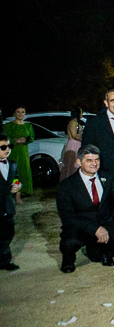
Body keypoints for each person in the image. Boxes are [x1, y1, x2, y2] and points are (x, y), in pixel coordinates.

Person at [56, 145, 114, 273]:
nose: (94, 164)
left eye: (97, 160)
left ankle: (102, 252)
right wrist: (94, 229)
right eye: (89, 160)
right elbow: (68, 218)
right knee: (69, 242)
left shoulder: (107, 177)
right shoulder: (66, 186)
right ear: (79, 162)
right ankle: (68, 260)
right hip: (81, 226)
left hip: (104, 221)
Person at [0, 135, 22, 270]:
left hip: (8, 206)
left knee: (8, 234)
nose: (7, 149)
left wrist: (18, 186)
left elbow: (16, 178)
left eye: (9, 146)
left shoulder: (12, 164)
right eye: (3, 147)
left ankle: (5, 261)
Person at [3, 106, 34, 199]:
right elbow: (4, 138)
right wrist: (14, 140)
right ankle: (13, 191)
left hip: (24, 152)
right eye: (18, 112)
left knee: (24, 171)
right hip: (13, 151)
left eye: (22, 112)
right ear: (14, 113)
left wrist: (25, 140)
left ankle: (25, 190)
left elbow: (32, 137)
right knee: (13, 171)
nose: (20, 114)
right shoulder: (8, 126)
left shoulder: (28, 126)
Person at [60, 107, 84, 182]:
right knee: (72, 163)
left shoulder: (77, 122)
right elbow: (74, 136)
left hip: (77, 144)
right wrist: (83, 140)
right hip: (73, 144)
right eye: (81, 112)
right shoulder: (73, 123)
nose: (82, 114)